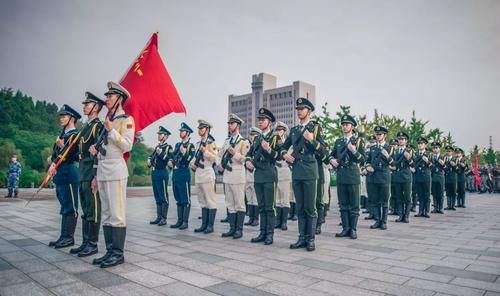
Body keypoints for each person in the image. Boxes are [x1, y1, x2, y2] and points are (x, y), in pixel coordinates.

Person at [90, 81, 134, 268]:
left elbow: (127, 145)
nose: (107, 99)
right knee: (107, 213)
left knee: (117, 214)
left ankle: (118, 253)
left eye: (111, 96)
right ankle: (109, 251)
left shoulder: (126, 120)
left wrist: (112, 130)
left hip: (116, 169)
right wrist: (95, 150)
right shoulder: (107, 120)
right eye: (107, 96)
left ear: (120, 99)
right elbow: (104, 147)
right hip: (102, 169)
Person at [280, 98, 327, 251]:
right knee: (300, 207)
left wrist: (312, 141)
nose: (299, 111)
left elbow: (323, 152)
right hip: (297, 172)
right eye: (298, 108)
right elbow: (283, 146)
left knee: (310, 207)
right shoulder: (294, 130)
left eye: (302, 108)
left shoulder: (316, 128)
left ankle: (311, 239)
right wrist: (284, 155)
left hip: (310, 171)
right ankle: (302, 237)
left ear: (309, 111)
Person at [70, 92, 104, 257]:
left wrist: (96, 175)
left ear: (96, 107)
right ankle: (85, 242)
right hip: (82, 171)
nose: (84, 106)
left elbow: (99, 152)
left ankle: (93, 244)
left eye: (88, 104)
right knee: (85, 208)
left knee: (93, 209)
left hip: (91, 172)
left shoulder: (98, 126)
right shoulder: (85, 127)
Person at [47, 104, 81, 249]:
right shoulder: (63, 135)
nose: (61, 118)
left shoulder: (75, 135)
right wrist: (52, 160)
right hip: (61, 173)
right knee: (64, 205)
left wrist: (61, 147)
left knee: (70, 207)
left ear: (72, 118)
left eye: (64, 116)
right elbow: (57, 155)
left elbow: (73, 155)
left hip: (69, 172)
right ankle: (63, 236)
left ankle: (68, 238)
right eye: (61, 116)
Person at [246, 108, 280, 245]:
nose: (260, 122)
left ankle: (270, 234)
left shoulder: (275, 137)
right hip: (258, 175)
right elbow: (250, 152)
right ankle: (262, 232)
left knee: (269, 207)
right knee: (261, 206)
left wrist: (269, 149)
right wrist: (248, 161)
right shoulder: (258, 138)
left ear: (269, 122)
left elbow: (279, 156)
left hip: (269, 174)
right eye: (259, 120)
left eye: (263, 120)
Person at [329, 115, 365, 239]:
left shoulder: (358, 141)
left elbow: (363, 160)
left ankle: (353, 229)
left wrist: (354, 151)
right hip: (341, 174)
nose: (345, 126)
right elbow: (331, 155)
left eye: (347, 124)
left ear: (352, 126)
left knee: (354, 204)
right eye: (343, 124)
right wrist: (332, 160)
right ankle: (345, 228)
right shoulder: (338, 141)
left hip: (353, 174)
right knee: (343, 203)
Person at [218, 114, 250, 239]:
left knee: (239, 203)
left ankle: (239, 230)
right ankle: (232, 228)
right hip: (227, 176)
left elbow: (245, 159)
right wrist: (219, 164)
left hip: (238, 176)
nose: (230, 125)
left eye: (232, 123)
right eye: (229, 123)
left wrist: (235, 154)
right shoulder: (227, 141)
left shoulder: (243, 142)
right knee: (229, 203)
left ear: (238, 125)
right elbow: (218, 155)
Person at [190, 120, 218, 234]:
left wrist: (206, 152)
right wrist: (191, 163)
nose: (199, 130)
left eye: (202, 128)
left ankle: (210, 226)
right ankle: (204, 225)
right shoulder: (197, 144)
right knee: (202, 201)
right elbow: (195, 157)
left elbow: (215, 159)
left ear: (207, 130)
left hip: (207, 173)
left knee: (210, 201)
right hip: (199, 174)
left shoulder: (211, 143)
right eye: (199, 128)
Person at [366, 126, 393, 230]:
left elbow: (394, 164)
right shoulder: (373, 148)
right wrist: (367, 166)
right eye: (377, 134)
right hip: (374, 176)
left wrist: (388, 156)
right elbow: (368, 161)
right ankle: (377, 220)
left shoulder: (389, 148)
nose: (378, 136)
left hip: (384, 176)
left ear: (384, 135)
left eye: (380, 134)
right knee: (376, 199)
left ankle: (384, 221)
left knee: (385, 200)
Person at [169, 123, 196, 230]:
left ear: (188, 133)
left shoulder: (191, 146)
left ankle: (185, 222)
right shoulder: (177, 145)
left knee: (185, 199)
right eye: (180, 131)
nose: (180, 133)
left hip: (184, 172)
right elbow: (172, 156)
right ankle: (179, 221)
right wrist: (170, 161)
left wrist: (184, 153)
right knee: (178, 198)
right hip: (175, 172)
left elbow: (190, 159)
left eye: (182, 131)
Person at [148, 126, 173, 226]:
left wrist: (161, 153)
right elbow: (152, 155)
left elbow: (169, 159)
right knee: (157, 195)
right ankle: (158, 217)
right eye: (158, 134)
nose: (159, 135)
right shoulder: (157, 146)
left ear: (166, 136)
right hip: (155, 172)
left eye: (161, 134)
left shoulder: (168, 147)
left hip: (162, 172)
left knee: (163, 196)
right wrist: (149, 159)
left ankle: (164, 218)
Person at [274, 121, 292, 231]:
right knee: (277, 199)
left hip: (285, 170)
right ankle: (278, 221)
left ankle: (284, 222)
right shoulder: (274, 142)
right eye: (277, 130)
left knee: (285, 198)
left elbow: (289, 156)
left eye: (280, 130)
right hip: (276, 170)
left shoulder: (288, 144)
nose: (278, 132)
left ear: (284, 132)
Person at [392, 132, 413, 223]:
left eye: (402, 139)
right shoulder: (395, 151)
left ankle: (407, 215)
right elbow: (393, 163)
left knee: (407, 197)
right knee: (399, 197)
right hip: (397, 176)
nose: (400, 141)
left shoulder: (409, 151)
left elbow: (413, 164)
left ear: (406, 141)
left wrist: (408, 158)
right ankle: (401, 215)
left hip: (406, 176)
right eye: (399, 139)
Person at [244, 127, 261, 227]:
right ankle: (250, 217)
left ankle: (256, 219)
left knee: (255, 198)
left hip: (255, 176)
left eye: (254, 136)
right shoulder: (250, 147)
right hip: (248, 176)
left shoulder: (259, 147)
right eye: (251, 136)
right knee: (249, 198)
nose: (252, 138)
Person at [413, 137, 432, 218]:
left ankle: (426, 211)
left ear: (425, 145)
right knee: (420, 194)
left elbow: (432, 165)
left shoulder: (429, 154)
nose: (420, 145)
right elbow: (413, 164)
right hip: (418, 176)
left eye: (421, 143)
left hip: (426, 176)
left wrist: (427, 161)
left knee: (426, 194)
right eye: (419, 143)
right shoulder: (415, 153)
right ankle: (420, 211)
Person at [430, 142, 445, 214]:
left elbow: (443, 166)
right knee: (434, 192)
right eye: (434, 148)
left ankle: (440, 207)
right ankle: (435, 207)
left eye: (436, 148)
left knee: (440, 192)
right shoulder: (431, 157)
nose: (435, 149)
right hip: (433, 176)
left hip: (440, 176)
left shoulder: (442, 157)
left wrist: (439, 161)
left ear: (439, 149)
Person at [444, 145, 458, 210]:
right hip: (447, 177)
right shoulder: (444, 159)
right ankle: (448, 205)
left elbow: (458, 169)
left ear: (452, 152)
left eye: (449, 151)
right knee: (448, 192)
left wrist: (454, 165)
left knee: (453, 192)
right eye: (447, 151)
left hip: (453, 177)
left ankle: (453, 205)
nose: (448, 152)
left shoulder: (455, 159)